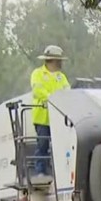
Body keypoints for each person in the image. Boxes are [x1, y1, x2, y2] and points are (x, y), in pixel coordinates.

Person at [30, 44, 70, 177]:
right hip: (42, 117)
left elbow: (67, 91)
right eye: (59, 61)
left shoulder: (61, 77)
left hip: (58, 117)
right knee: (42, 144)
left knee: (59, 144)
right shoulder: (38, 74)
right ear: (52, 60)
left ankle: (57, 171)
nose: (61, 63)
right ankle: (40, 171)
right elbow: (37, 90)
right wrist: (52, 98)